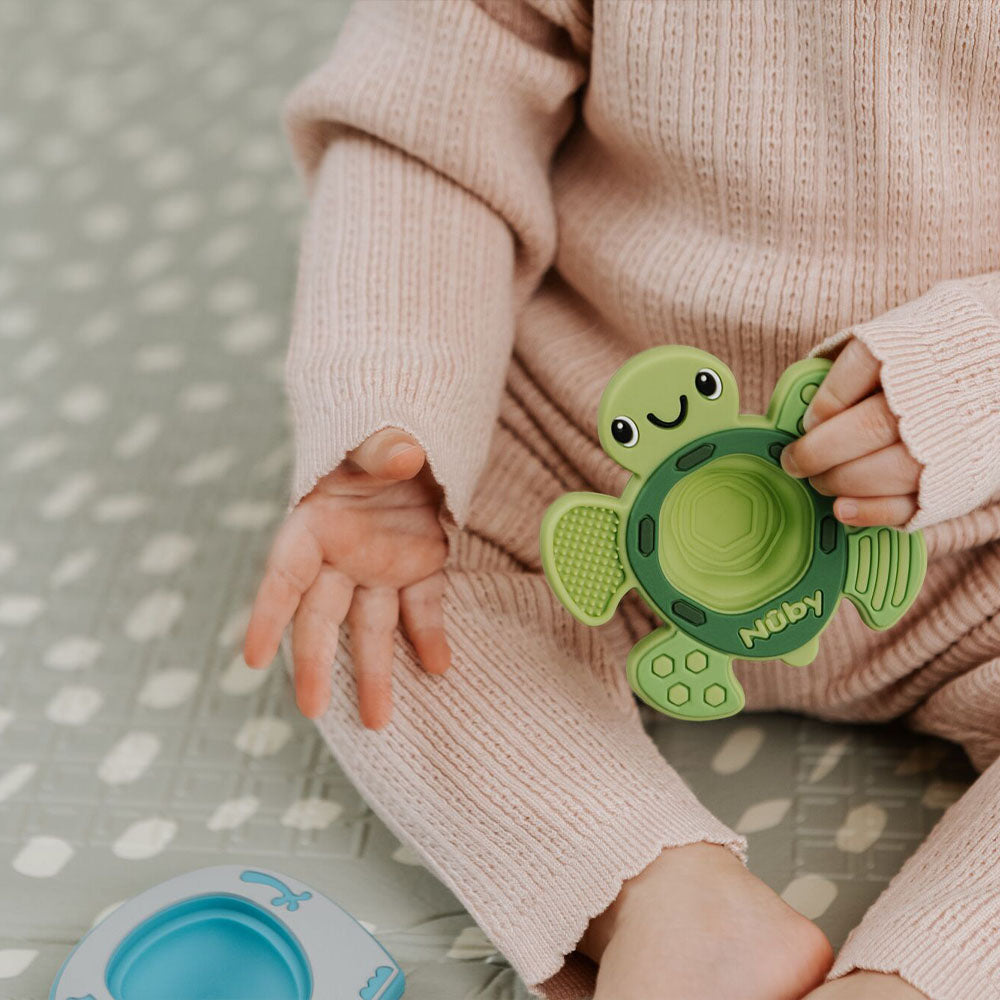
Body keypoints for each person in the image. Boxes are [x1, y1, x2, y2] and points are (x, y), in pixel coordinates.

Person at [243, 2, 1000, 997]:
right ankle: (656, 889)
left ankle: (920, 978)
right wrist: (394, 409)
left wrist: (967, 381)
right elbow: (427, 128)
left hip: (966, 528)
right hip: (593, 453)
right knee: (363, 591)